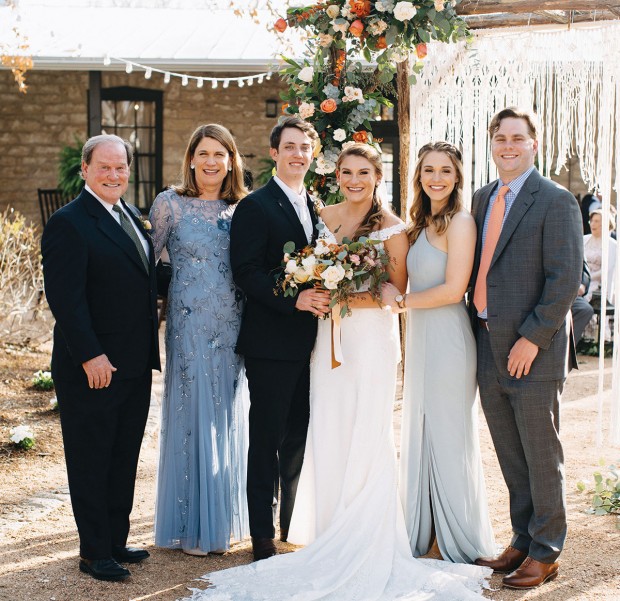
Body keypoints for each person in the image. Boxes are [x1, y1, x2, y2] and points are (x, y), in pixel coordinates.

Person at [181, 143, 492, 601]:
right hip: (325, 343)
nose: (354, 180)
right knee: (328, 428)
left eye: (363, 172)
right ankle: (328, 528)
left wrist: (341, 293)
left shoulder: (392, 229)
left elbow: (395, 292)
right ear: (337, 176)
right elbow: (295, 273)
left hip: (368, 342)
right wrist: (318, 287)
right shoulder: (321, 217)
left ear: (378, 176)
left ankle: (366, 532)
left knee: (367, 431)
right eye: (346, 171)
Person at [469, 107, 583, 589]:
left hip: (532, 350)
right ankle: (522, 538)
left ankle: (547, 550)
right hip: (485, 342)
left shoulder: (555, 200)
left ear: (534, 144)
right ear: (492, 144)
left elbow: (565, 280)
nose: (508, 146)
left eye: (518, 138)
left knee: (540, 453)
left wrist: (531, 339)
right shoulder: (480, 198)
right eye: (500, 138)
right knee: (510, 453)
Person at [41, 134, 160, 581]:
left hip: (132, 362)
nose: (114, 175)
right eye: (105, 167)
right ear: (86, 170)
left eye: (121, 167)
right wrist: (91, 355)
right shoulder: (69, 222)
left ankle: (113, 538)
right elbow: (66, 300)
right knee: (92, 458)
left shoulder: (127, 213)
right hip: (93, 365)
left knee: (122, 454)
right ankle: (93, 551)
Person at [382, 142, 496, 563]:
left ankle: (456, 536)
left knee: (448, 435)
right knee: (423, 429)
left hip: (449, 339)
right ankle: (426, 530)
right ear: (419, 177)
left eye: (445, 171)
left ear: (457, 177)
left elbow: (452, 290)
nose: (436, 178)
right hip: (422, 338)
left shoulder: (461, 222)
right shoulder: (420, 223)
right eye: (428, 170)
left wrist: (400, 302)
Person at [230, 116, 331, 561]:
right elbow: (246, 272)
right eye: (289, 146)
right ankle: (261, 534)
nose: (297, 154)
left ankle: (290, 520)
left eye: (304, 148)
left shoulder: (315, 205)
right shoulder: (255, 206)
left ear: (312, 155)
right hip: (271, 343)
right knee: (267, 437)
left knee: (299, 435)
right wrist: (295, 300)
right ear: (274, 153)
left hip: (315, 342)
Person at [149, 124, 249, 555]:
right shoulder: (169, 204)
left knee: (226, 412)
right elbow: (145, 263)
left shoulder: (242, 207)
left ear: (231, 161)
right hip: (188, 325)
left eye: (220, 154)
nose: (211, 162)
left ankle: (221, 520)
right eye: (204, 153)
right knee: (192, 413)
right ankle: (190, 524)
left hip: (232, 326)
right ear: (191, 158)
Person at [582, 208, 617, 341]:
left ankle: (593, 336)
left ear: (606, 224)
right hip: (582, 278)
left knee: (588, 292)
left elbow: (609, 269)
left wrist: (588, 278)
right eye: (592, 221)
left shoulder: (612, 245)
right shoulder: (584, 239)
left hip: (599, 281)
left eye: (597, 221)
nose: (593, 224)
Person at [571, 260, 594, 344]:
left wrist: (583, 284)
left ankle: (568, 351)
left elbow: (584, 268)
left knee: (584, 309)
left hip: (569, 291)